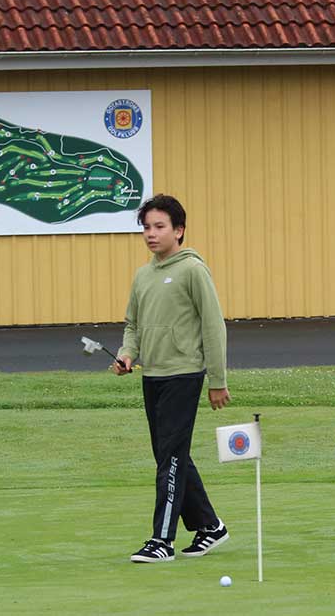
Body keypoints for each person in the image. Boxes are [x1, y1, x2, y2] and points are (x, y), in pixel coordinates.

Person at [115, 193, 232, 562]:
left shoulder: (193, 270)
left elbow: (213, 327)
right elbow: (133, 325)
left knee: (171, 457)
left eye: (159, 226)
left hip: (184, 374)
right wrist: (127, 354)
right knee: (170, 454)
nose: (151, 234)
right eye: (146, 227)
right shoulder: (143, 275)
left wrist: (217, 380)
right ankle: (210, 526)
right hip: (153, 375)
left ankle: (161, 541)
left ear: (178, 230)